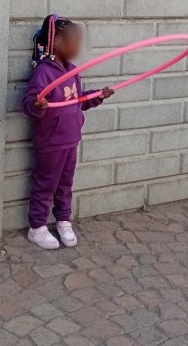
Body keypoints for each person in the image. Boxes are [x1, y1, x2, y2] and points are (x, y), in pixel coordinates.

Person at [22, 15, 114, 249]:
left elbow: (77, 100)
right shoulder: (44, 73)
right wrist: (38, 105)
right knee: (46, 184)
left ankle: (63, 220)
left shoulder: (72, 71)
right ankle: (37, 227)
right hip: (51, 142)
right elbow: (29, 104)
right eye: (74, 40)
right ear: (56, 42)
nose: (78, 46)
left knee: (65, 184)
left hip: (70, 139)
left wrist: (97, 96)